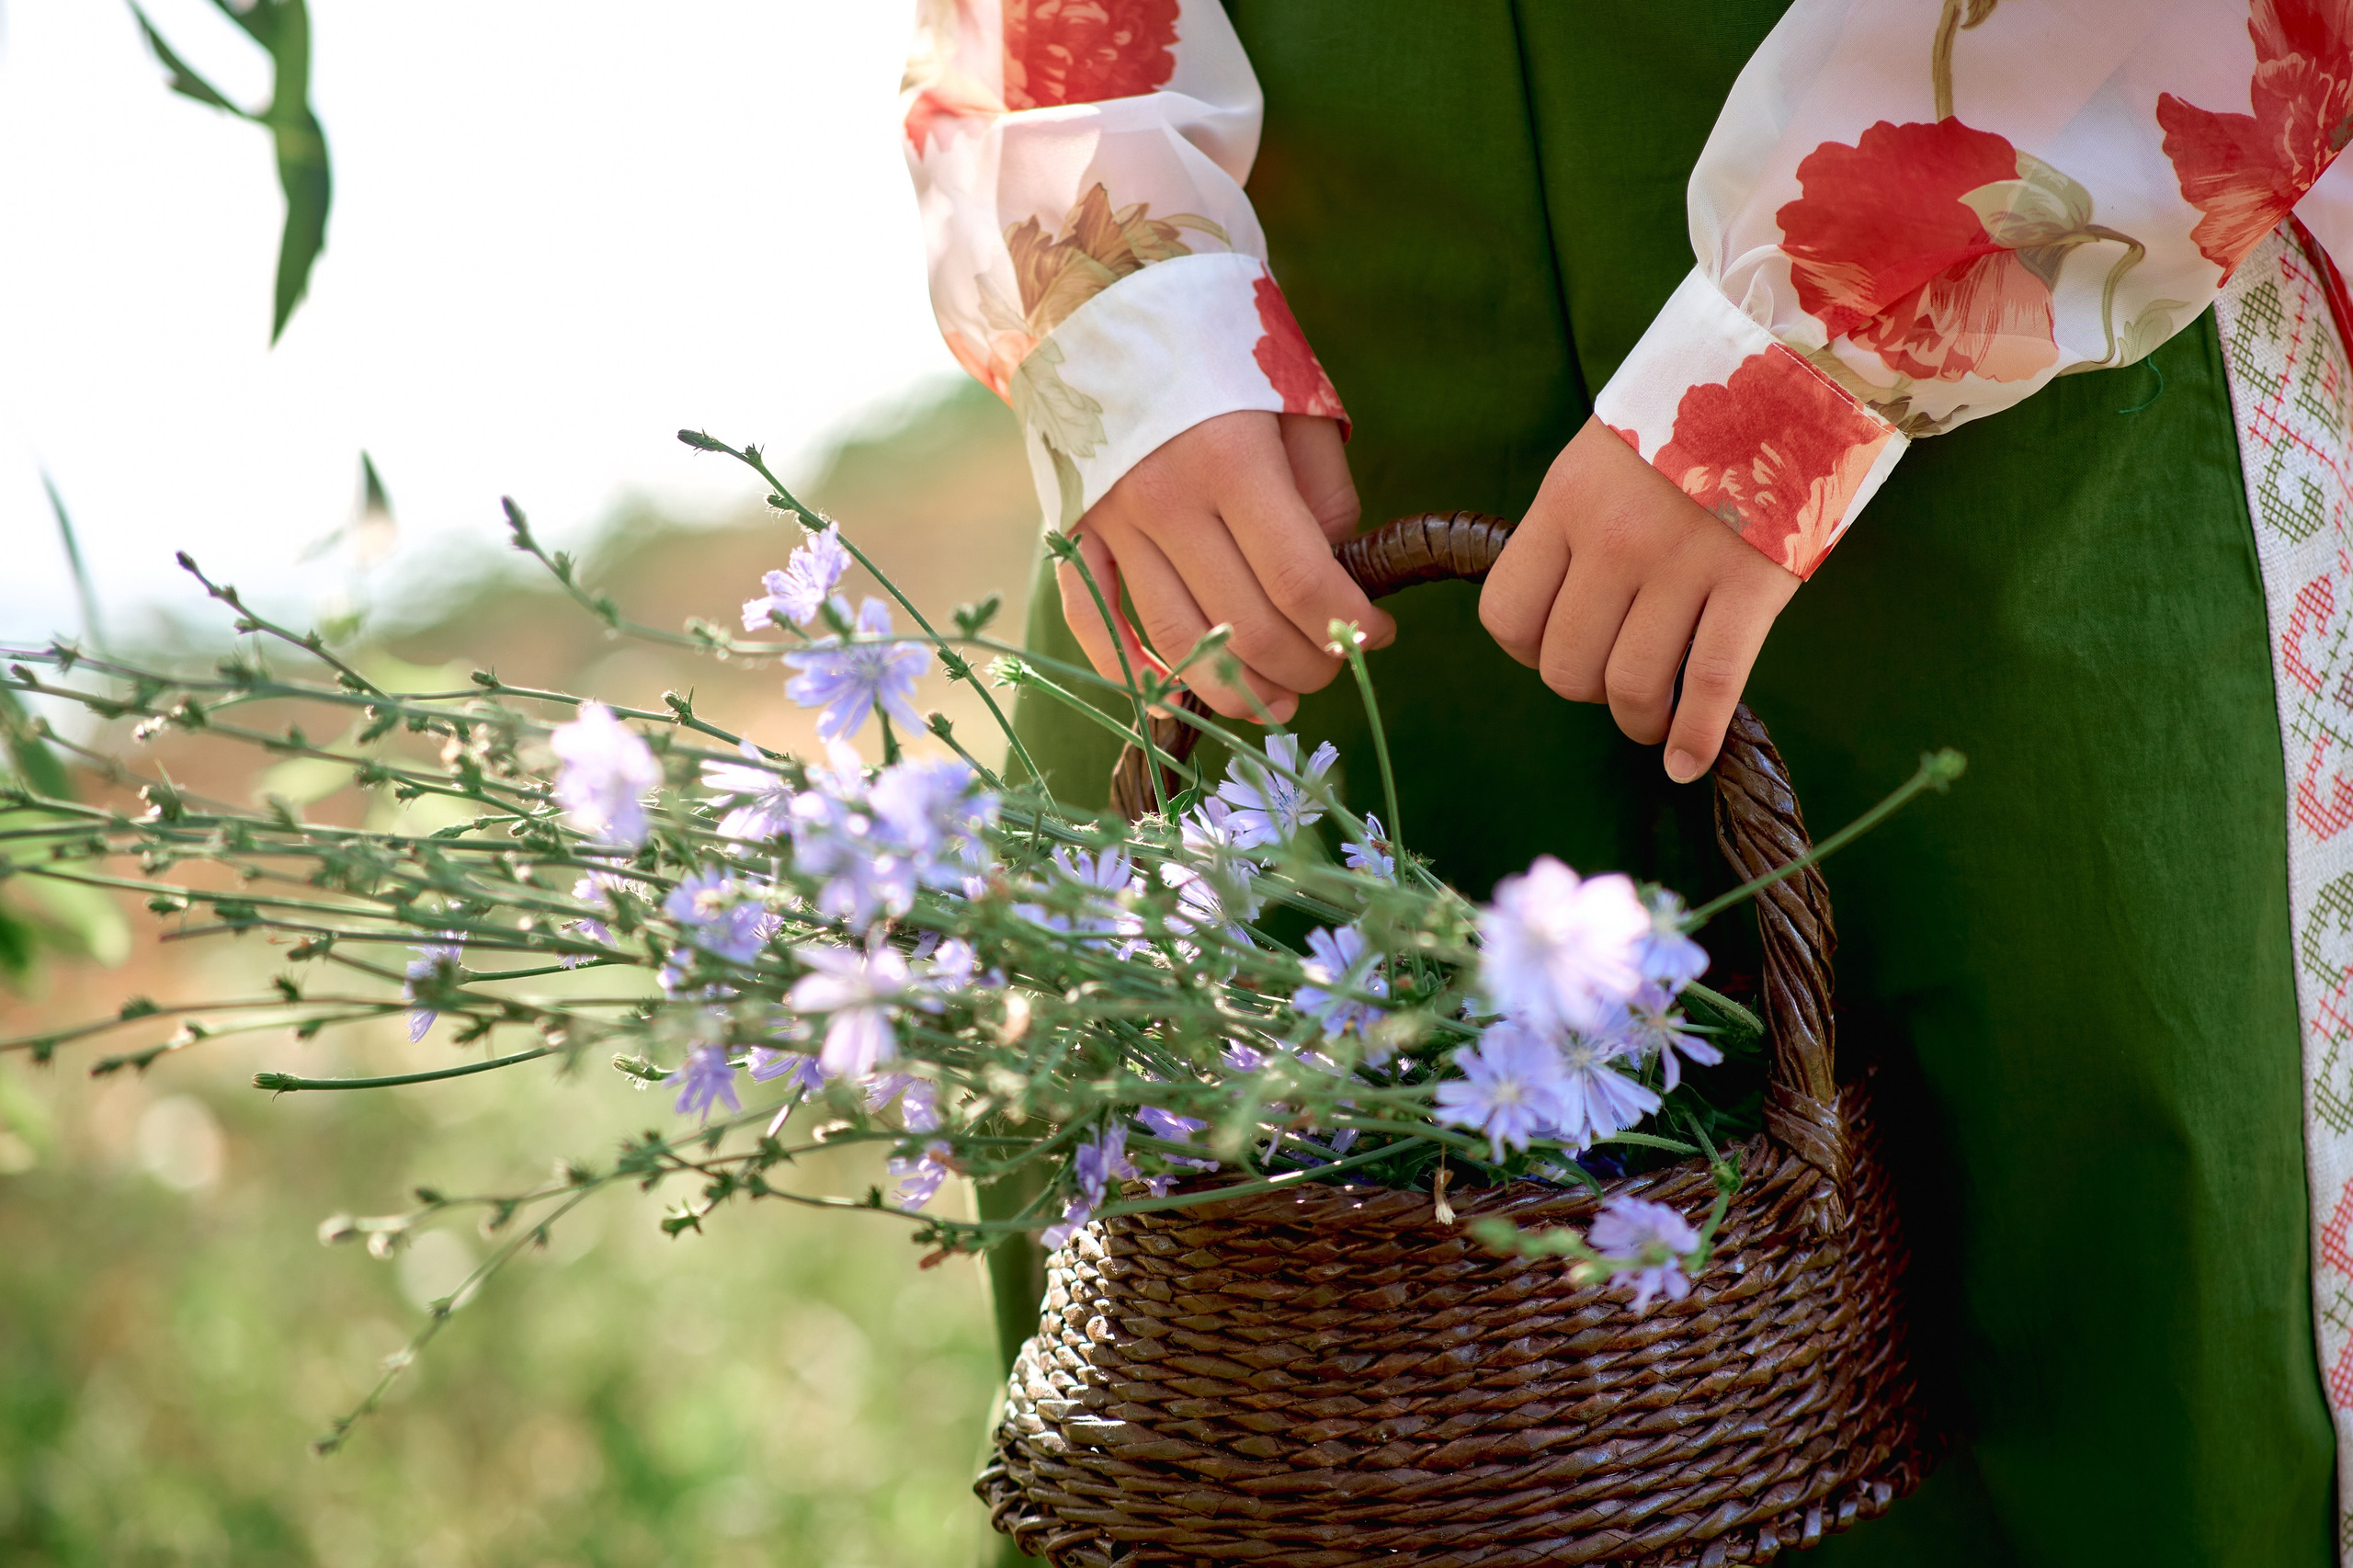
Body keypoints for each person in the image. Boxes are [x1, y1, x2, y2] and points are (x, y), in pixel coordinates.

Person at [904, 3, 2353, 1562]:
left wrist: (1812, 333)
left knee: (2130, 1365)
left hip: (2009, 329)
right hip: (1251, 408)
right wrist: (1122, 294)